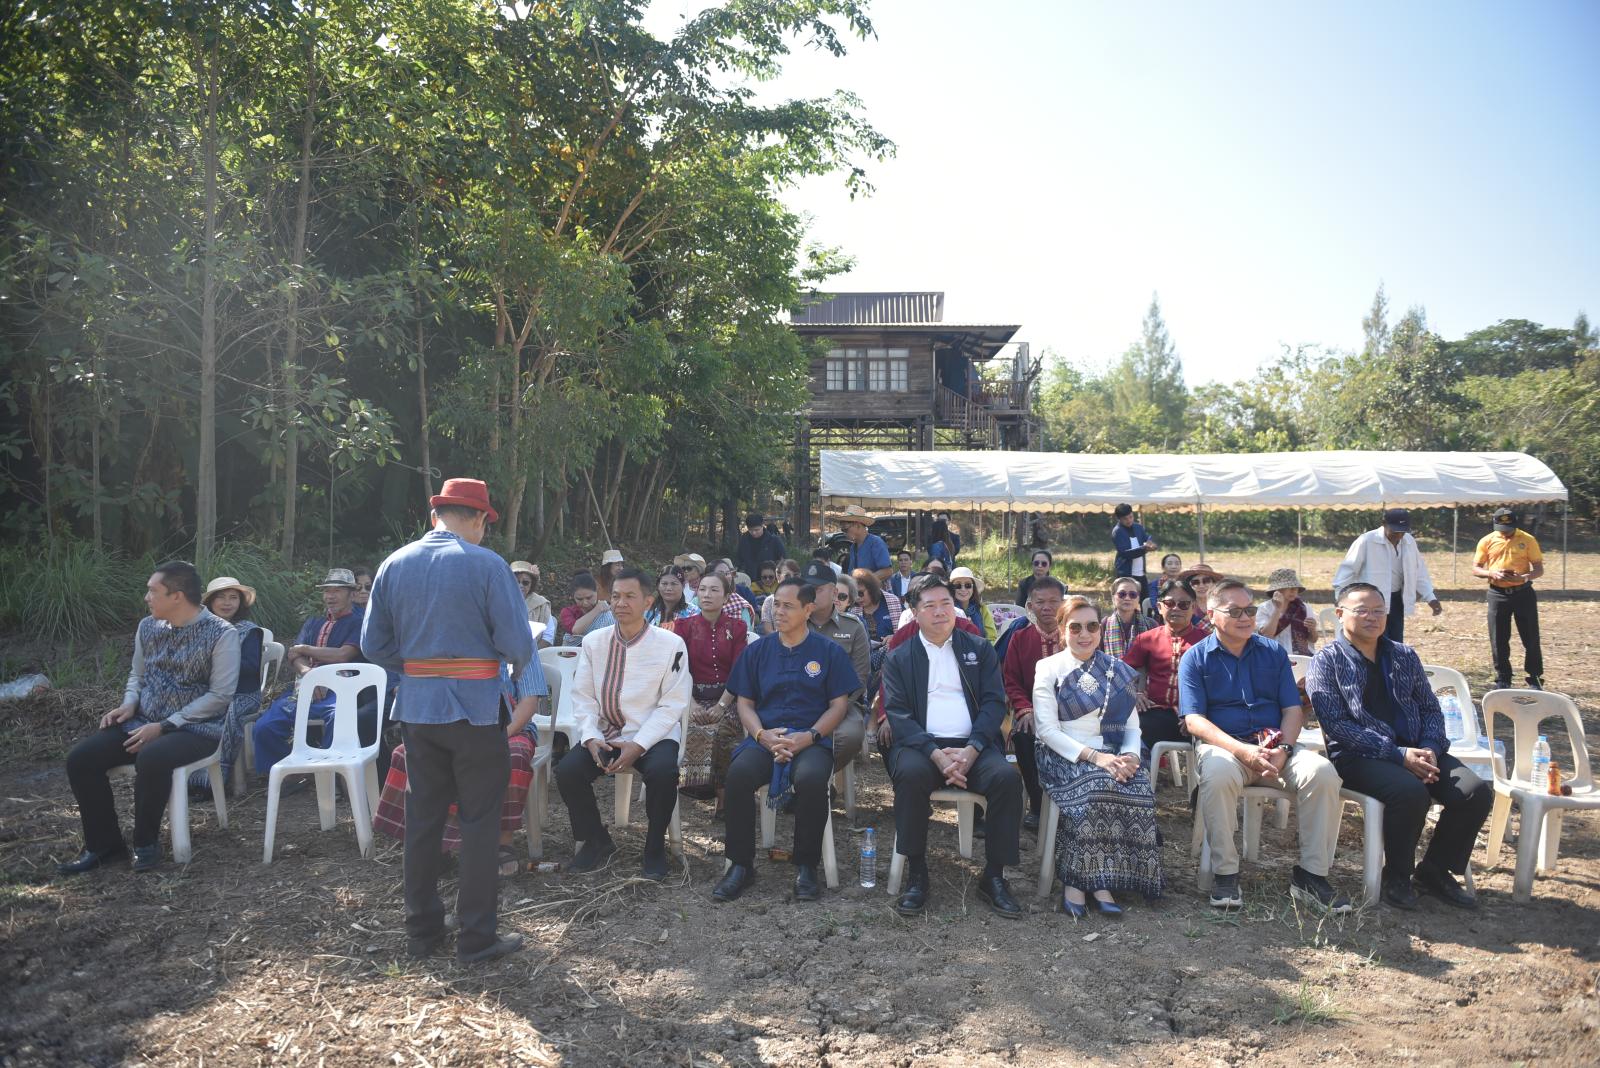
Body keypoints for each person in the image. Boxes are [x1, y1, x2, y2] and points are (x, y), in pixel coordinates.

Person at [360, 478, 533, 963]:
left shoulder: (394, 563)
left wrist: (417, 669)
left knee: (423, 819)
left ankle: (421, 932)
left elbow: (373, 644)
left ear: (436, 514)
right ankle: (476, 938)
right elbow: (517, 644)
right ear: (478, 519)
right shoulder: (487, 564)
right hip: (477, 710)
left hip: (418, 709)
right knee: (479, 822)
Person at [1307, 582, 1491, 909]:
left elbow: (1430, 708)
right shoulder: (1326, 661)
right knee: (1409, 792)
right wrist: (1398, 755)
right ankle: (1397, 876)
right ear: (1340, 614)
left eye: (1379, 611)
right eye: (1362, 610)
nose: (1372, 617)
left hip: (1417, 750)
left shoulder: (1403, 655)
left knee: (1474, 792)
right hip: (1359, 756)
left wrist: (1431, 747)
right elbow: (1337, 726)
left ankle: (1434, 871)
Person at [60, 561, 242, 874]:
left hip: (197, 729)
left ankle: (145, 843)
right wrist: (129, 704)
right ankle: (104, 845)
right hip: (142, 722)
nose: (146, 597)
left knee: (153, 757)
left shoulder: (222, 633)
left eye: (152, 591)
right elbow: (137, 675)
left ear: (177, 596)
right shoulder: (148, 626)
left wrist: (166, 725)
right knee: (81, 759)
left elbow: (220, 695)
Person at [1180, 578, 1350, 912]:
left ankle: (1312, 876)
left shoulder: (1272, 652)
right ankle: (1226, 873)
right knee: (1216, 774)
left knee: (1322, 773)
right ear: (1211, 615)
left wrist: (1284, 750)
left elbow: (1292, 710)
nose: (1246, 618)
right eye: (1235, 611)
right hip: (1227, 749)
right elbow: (1194, 720)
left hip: (1275, 748)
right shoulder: (1195, 658)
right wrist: (1241, 750)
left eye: (1250, 610)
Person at [881, 576, 1023, 918]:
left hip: (973, 747)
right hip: (921, 748)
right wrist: (935, 754)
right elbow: (898, 714)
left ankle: (994, 875)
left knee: (1006, 779)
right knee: (910, 776)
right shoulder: (899, 657)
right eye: (929, 606)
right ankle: (917, 872)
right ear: (915, 613)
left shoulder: (979, 648)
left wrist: (972, 749)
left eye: (946, 603)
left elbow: (994, 703)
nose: (940, 612)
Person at [713, 577, 860, 903]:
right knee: (738, 776)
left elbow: (838, 706)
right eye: (776, 604)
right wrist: (761, 735)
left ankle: (806, 866)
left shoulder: (829, 652)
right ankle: (740, 865)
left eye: (788, 606)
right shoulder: (758, 651)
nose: (778, 611)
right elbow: (745, 704)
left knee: (811, 780)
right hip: (765, 737)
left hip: (810, 739)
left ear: (808, 610)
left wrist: (810, 736)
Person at [374, 626, 549, 879]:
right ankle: (435, 841)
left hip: (509, 728)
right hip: (453, 724)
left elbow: (529, 702)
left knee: (511, 757)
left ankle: (502, 842)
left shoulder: (519, 638)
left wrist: (496, 738)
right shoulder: (447, 633)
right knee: (407, 754)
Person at [556, 568, 691, 881]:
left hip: (653, 736)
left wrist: (638, 745)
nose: (620, 603)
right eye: (615, 596)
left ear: (648, 601)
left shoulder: (670, 644)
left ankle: (654, 847)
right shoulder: (594, 642)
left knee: (663, 773)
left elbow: (672, 704)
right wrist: (590, 737)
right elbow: (583, 696)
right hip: (606, 732)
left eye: (630, 596)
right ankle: (596, 839)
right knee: (567, 772)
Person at [1032, 595, 1163, 915]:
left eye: (1092, 626)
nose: (1084, 634)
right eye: (1075, 627)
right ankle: (1079, 882)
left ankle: (1105, 879)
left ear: (1100, 630)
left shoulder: (1116, 669)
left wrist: (1131, 757)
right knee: (1094, 786)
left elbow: (1132, 726)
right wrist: (1095, 757)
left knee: (1138, 787)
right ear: (1062, 629)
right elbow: (1047, 731)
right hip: (1061, 753)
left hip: (1113, 750)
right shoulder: (1048, 668)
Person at [250, 568, 365, 775]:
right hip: (304, 687)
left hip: (340, 690)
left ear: (352, 594)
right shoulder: (313, 622)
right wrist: (308, 674)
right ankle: (289, 776)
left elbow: (343, 655)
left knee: (339, 720)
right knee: (264, 727)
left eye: (337, 591)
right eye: (327, 591)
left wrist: (305, 649)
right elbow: (294, 654)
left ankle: (332, 776)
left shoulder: (359, 622)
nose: (330, 596)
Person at [675, 572, 749, 804]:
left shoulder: (737, 627)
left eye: (714, 590)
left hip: (729, 697)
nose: (707, 594)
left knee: (721, 731)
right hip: (691, 696)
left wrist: (721, 705)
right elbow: (679, 670)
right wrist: (692, 704)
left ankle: (724, 799)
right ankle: (698, 786)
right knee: (692, 727)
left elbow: (739, 670)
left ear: (726, 597)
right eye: (703, 589)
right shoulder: (683, 626)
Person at [1000, 576, 1067, 832]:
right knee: (1024, 736)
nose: (1047, 607)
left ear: (1064, 604)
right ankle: (1038, 808)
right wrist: (1025, 709)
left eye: (1053, 601)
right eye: (1040, 602)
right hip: (1032, 712)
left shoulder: (1075, 637)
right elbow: (1011, 680)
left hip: (1071, 713)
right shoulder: (1019, 638)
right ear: (1030, 606)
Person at [193, 576, 264, 791]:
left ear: (240, 603)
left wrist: (217, 662)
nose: (227, 603)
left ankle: (212, 782)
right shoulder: (199, 629)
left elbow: (251, 667)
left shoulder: (249, 630)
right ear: (210, 602)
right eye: (221, 597)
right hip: (207, 693)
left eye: (233, 598)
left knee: (228, 714)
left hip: (242, 694)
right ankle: (186, 778)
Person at [1124, 579, 1210, 759]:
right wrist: (1135, 694)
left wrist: (1197, 714)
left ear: (1193, 607)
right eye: (1170, 603)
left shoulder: (1207, 641)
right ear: (1159, 607)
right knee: (1130, 729)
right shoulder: (1147, 639)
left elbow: (1217, 683)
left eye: (1184, 604)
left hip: (1199, 715)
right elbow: (1122, 672)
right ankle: (1141, 773)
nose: (1176, 608)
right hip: (1156, 713)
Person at [1330, 508, 1442, 643]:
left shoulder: (1409, 541)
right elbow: (1346, 572)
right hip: (1370, 603)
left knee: (1395, 643)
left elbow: (1418, 571)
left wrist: (1430, 597)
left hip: (1397, 601)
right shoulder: (1366, 541)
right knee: (1373, 642)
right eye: (1395, 531)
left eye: (1402, 531)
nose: (1399, 535)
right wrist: (1341, 600)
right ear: (1384, 524)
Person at [801, 560, 871, 774]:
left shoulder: (853, 627)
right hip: (798, 701)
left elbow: (860, 677)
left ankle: (819, 777)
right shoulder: (794, 623)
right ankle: (805, 779)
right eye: (807, 589)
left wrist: (835, 708)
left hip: (843, 704)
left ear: (833, 593)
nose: (811, 594)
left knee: (849, 736)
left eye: (818, 589)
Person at [1471, 508, 1544, 690]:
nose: (1505, 532)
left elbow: (1538, 568)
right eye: (1502, 529)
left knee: (1530, 637)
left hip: (1523, 593)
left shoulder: (1527, 539)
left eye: (1508, 528)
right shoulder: (1487, 541)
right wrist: (1492, 573)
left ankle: (1534, 677)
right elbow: (1476, 568)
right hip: (1497, 594)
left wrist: (1524, 577)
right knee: (1498, 638)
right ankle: (1503, 678)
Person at [1256, 568, 1318, 656]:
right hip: (1274, 656)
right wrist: (1277, 609)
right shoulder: (1264, 608)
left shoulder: (1304, 608)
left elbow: (1313, 640)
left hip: (1302, 657)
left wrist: (1312, 629)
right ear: (1277, 589)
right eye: (1288, 587)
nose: (1293, 590)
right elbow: (1267, 635)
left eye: (1295, 587)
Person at [570, 550, 627, 638]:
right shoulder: (595, 583)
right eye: (617, 565)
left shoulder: (619, 583)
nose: (621, 568)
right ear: (608, 566)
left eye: (621, 565)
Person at [832, 504, 892, 583]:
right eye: (842, 530)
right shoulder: (853, 547)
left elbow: (887, 571)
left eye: (846, 530)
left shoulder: (876, 543)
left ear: (857, 525)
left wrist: (865, 581)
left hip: (875, 589)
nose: (844, 533)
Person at [1101, 576, 1157, 658]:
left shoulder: (1151, 625)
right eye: (1122, 594)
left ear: (1138, 599)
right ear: (1113, 598)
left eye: (1132, 594)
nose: (1127, 598)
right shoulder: (1104, 625)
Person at [851, 568, 902, 644]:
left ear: (871, 589)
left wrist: (894, 637)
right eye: (854, 594)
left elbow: (906, 633)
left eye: (860, 593)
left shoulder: (893, 602)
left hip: (892, 649)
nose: (857, 598)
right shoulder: (852, 609)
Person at [948, 566, 998, 642]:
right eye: (958, 586)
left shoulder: (982, 609)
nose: (963, 589)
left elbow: (991, 637)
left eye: (968, 585)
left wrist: (984, 648)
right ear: (951, 589)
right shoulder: (947, 610)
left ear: (973, 588)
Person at [1111, 503, 1157, 581]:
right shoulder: (1117, 531)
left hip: (1141, 573)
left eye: (1131, 517)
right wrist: (1144, 549)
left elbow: (1147, 538)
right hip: (1125, 574)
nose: (1129, 520)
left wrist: (1151, 544)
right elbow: (1125, 553)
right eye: (1125, 519)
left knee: (1145, 589)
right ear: (1118, 519)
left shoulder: (1138, 527)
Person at [735, 512, 787, 580]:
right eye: (750, 530)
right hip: (749, 579)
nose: (754, 533)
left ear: (762, 526)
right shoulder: (744, 540)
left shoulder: (774, 540)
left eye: (757, 530)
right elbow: (739, 559)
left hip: (769, 579)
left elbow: (783, 560)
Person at [558, 573, 600, 646]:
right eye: (579, 599)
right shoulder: (568, 612)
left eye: (589, 598)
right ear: (573, 596)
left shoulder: (606, 612)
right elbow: (575, 630)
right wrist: (597, 609)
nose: (585, 603)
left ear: (597, 591)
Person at [1177, 564, 1221, 631]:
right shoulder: (1183, 607)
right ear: (1189, 586)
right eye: (1195, 582)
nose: (1201, 586)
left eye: (1206, 581)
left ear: (1214, 583)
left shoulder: (1222, 605)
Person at [511, 561, 552, 626]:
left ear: (532, 584)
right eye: (516, 582)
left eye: (525, 582)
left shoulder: (541, 603)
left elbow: (548, 631)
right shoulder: (500, 600)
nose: (520, 586)